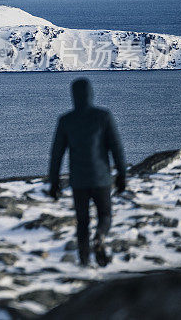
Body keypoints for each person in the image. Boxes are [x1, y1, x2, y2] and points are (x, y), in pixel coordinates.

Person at [48, 77, 126, 267]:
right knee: (105, 216)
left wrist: (54, 182)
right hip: (101, 178)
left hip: (79, 181)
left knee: (82, 222)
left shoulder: (66, 120)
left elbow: (56, 153)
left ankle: (84, 261)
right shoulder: (103, 116)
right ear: (91, 93)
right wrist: (122, 174)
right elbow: (116, 148)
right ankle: (100, 236)